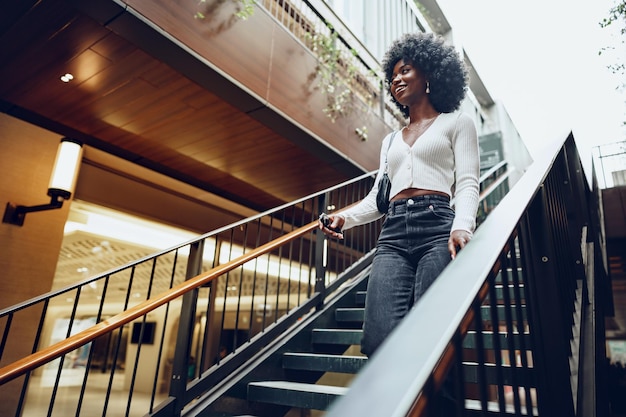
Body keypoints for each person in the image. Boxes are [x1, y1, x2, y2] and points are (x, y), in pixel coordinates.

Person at [319, 32, 479, 357]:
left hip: (437, 229)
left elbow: (467, 183)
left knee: (431, 333)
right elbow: (378, 199)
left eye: (405, 71)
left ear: (430, 74)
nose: (397, 79)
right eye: (392, 76)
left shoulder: (457, 123)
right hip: (392, 234)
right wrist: (343, 218)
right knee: (377, 339)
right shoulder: (390, 141)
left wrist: (462, 225)